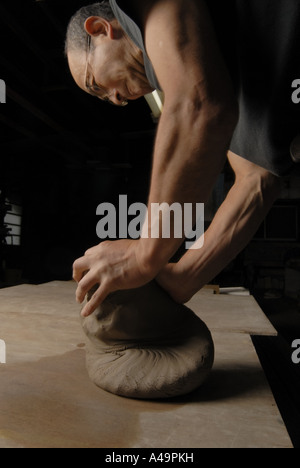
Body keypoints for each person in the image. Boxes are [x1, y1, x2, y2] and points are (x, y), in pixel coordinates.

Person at [66, 0, 300, 317]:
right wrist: (183, 276)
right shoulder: (230, 73)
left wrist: (144, 254)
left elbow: (199, 106)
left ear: (100, 29)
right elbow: (256, 182)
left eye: (96, 84)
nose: (116, 100)